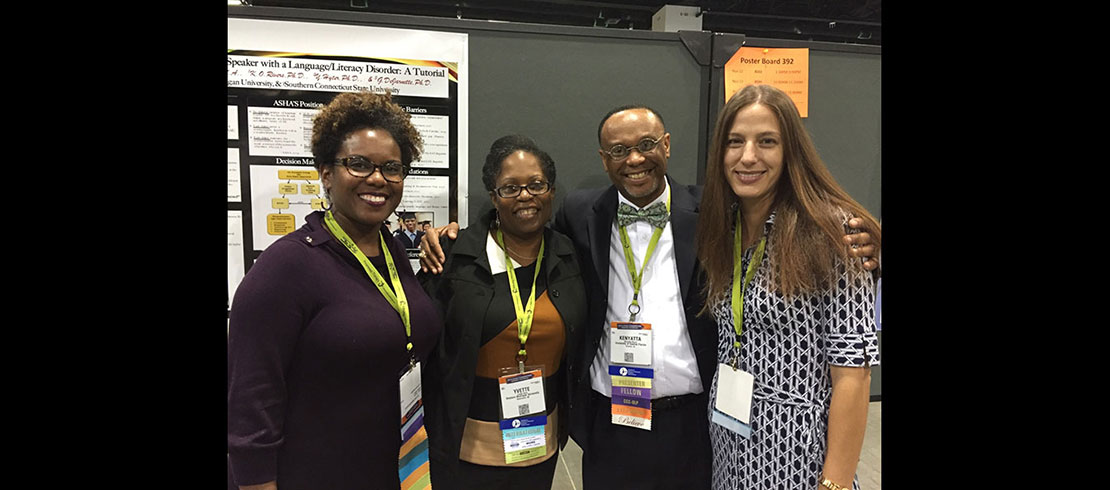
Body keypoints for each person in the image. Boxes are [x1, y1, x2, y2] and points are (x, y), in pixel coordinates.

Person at [419, 105, 879, 489]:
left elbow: (788, 211)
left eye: (645, 145)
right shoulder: (581, 213)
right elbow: (520, 216)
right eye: (619, 150)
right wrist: (455, 235)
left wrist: (869, 242)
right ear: (604, 159)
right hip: (610, 419)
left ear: (667, 146)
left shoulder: (714, 212)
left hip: (693, 422)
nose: (634, 159)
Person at [228, 91, 442, 490]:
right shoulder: (286, 267)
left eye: (391, 168)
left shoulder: (392, 248)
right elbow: (250, 402)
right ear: (326, 173)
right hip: (314, 472)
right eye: (358, 164)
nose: (377, 178)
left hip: (393, 465)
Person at [695, 84, 880, 490]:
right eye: (735, 142)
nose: (748, 157)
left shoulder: (834, 234)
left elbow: (853, 376)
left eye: (767, 142)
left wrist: (834, 483)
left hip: (798, 461)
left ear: (790, 150)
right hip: (730, 449)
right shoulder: (723, 229)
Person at [417, 135, 587, 490]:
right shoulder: (453, 256)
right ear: (494, 198)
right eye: (510, 188)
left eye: (536, 185)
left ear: (551, 191)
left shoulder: (571, 256)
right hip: (465, 446)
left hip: (539, 440)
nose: (525, 196)